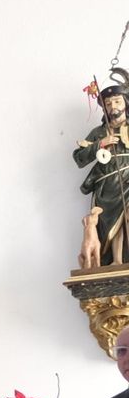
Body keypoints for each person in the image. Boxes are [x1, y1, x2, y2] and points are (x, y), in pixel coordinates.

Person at [75, 83, 129, 267]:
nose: (113, 106)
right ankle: (116, 261)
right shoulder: (98, 132)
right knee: (112, 224)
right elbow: (79, 158)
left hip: (128, 181)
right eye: (108, 103)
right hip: (107, 189)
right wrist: (101, 143)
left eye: (117, 101)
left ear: (125, 103)